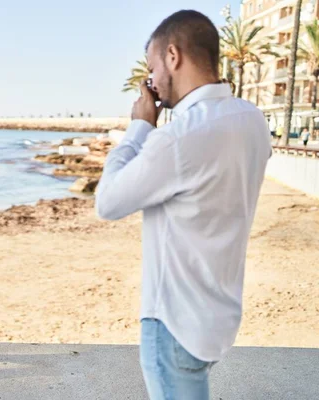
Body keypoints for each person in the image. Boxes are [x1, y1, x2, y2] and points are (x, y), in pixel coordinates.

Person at [95, 10, 271, 400]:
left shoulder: (177, 138)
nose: (152, 81)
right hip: (218, 315)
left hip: (174, 323)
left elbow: (107, 202)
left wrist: (140, 126)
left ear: (173, 56)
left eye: (152, 67)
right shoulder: (252, 120)